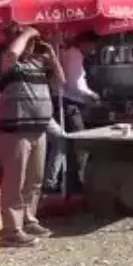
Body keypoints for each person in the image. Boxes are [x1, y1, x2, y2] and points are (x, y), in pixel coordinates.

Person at [0, 25, 65, 247]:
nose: (32, 44)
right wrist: (29, 32)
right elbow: (12, 53)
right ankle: (11, 230)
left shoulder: (38, 64)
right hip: (15, 131)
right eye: (27, 40)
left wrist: (52, 55)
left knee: (34, 179)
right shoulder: (6, 63)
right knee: (15, 180)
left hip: (38, 129)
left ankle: (28, 219)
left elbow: (61, 81)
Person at [47, 32, 100, 194]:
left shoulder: (66, 53)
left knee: (64, 143)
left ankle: (63, 180)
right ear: (85, 42)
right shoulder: (75, 55)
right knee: (78, 142)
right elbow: (74, 84)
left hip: (60, 101)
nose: (93, 49)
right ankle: (73, 181)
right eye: (93, 45)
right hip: (68, 104)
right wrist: (91, 95)